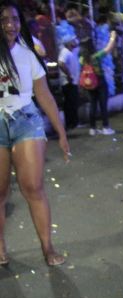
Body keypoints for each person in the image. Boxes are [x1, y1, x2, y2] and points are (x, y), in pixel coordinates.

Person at [0, 0, 70, 267]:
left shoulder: (28, 55)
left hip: (26, 120)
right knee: (0, 191)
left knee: (33, 186)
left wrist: (61, 132)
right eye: (4, 19)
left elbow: (44, 95)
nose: (11, 25)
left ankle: (48, 248)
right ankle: (0, 245)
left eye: (15, 19)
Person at [80, 31, 118, 136]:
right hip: (100, 82)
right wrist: (112, 37)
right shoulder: (96, 56)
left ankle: (92, 128)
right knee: (103, 105)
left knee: (92, 105)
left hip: (89, 84)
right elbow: (108, 48)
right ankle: (105, 127)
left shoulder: (82, 59)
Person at [57, 35, 80, 130]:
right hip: (68, 82)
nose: (75, 42)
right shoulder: (65, 52)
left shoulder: (71, 52)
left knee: (73, 103)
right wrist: (69, 75)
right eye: (73, 40)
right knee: (70, 103)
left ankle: (74, 123)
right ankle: (71, 123)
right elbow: (61, 63)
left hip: (72, 81)